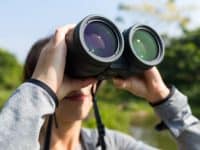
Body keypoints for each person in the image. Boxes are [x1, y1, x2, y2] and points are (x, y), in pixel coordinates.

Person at [0, 24, 199, 150]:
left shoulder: (115, 145)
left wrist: (162, 97)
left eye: (85, 69)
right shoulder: (17, 138)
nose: (79, 85)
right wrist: (41, 90)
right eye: (63, 71)